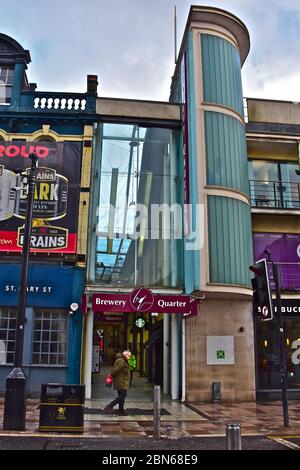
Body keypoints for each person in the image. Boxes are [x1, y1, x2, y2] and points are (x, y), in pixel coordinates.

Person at [104, 349, 131, 416]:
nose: (129, 357)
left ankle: (121, 411)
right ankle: (110, 405)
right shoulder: (122, 360)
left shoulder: (121, 360)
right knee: (122, 396)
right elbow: (116, 369)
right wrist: (111, 374)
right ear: (125, 355)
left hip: (122, 380)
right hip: (121, 381)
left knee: (121, 396)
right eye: (129, 356)